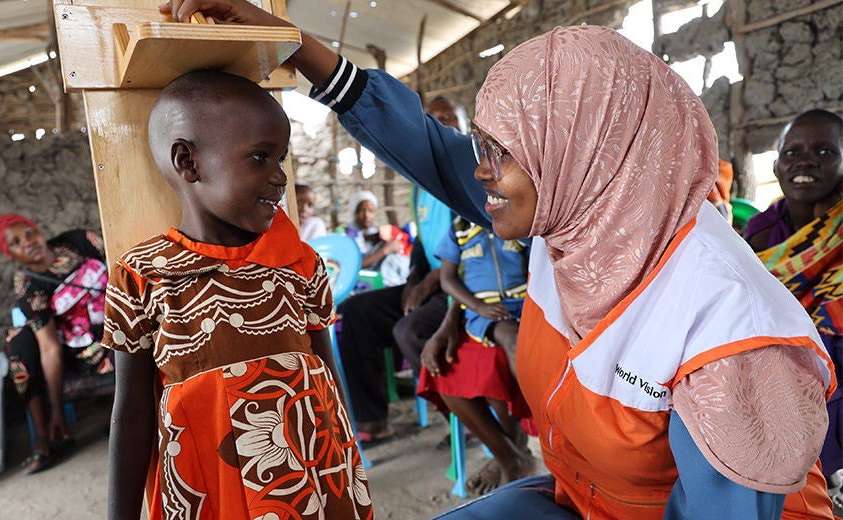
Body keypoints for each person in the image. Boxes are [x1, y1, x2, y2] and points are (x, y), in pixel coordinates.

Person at [161, 3, 837, 519]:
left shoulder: (727, 334)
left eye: (501, 152)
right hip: (587, 499)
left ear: (584, 152)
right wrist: (290, 42)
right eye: (483, 147)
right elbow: (427, 146)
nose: (481, 174)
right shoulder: (579, 220)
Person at [101, 70, 372, 520]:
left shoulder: (300, 264)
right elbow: (131, 413)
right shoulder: (142, 275)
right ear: (188, 162)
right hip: (210, 491)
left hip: (313, 485)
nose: (279, 177)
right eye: (260, 158)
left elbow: (326, 377)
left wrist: (348, 465)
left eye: (281, 159)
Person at [334, 96, 465, 443]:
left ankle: (464, 419)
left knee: (410, 330)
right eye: (433, 120)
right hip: (433, 284)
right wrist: (412, 281)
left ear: (464, 125)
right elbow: (422, 242)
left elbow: (473, 243)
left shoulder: (471, 173)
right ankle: (372, 419)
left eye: (449, 117)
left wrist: (429, 284)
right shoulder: (421, 184)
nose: (441, 126)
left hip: (465, 288)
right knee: (355, 312)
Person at [745, 109, 843, 490]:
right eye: (792, 153)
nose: (805, 161)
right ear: (775, 166)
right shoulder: (761, 231)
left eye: (824, 152)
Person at [0, 213, 113, 475]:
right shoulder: (28, 285)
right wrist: (57, 409)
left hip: (122, 319)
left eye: (29, 233)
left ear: (38, 230)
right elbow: (49, 347)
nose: (28, 242)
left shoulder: (78, 241)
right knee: (19, 339)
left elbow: (120, 262)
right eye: (16, 242)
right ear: (9, 253)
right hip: (85, 349)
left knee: (124, 335)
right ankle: (45, 437)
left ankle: (123, 419)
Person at [418, 215, 535, 495]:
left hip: (523, 309)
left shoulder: (521, 221)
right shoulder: (460, 229)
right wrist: (477, 306)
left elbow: (539, 270)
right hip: (479, 315)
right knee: (444, 369)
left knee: (506, 349)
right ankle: (509, 455)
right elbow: (448, 279)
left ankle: (521, 441)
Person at [343, 189, 410, 288]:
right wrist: (385, 250)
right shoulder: (346, 236)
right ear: (354, 212)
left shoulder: (378, 234)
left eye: (371, 211)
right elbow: (352, 266)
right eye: (361, 210)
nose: (366, 215)